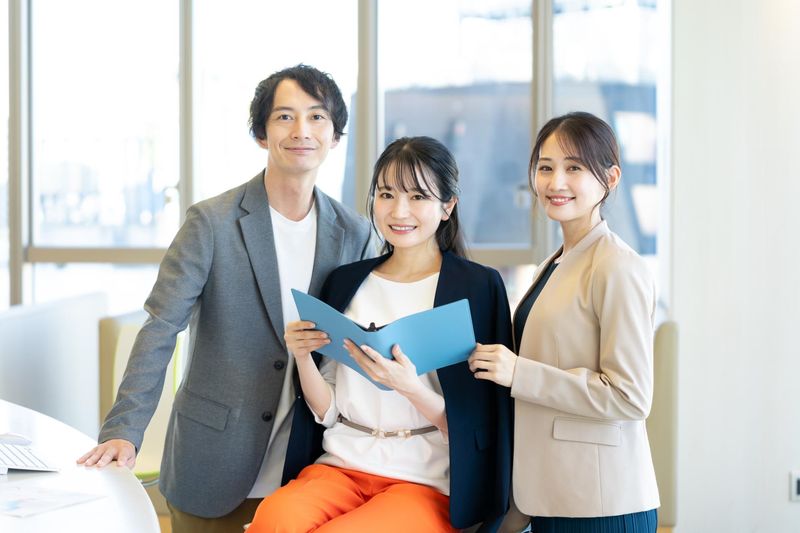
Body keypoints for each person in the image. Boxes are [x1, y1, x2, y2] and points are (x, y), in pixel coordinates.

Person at [77, 64, 375, 533]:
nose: (302, 130)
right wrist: (124, 430)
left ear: (335, 136)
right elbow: (160, 328)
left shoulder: (355, 233)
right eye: (285, 117)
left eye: (317, 117)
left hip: (309, 471)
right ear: (261, 133)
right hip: (212, 460)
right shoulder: (211, 223)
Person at [247, 136, 513, 533]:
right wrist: (302, 356)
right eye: (387, 194)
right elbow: (327, 410)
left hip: (424, 480)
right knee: (272, 521)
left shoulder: (477, 287)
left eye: (418, 196)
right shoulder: (346, 281)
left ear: (448, 206)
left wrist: (409, 387)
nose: (399, 211)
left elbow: (481, 420)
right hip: (341, 465)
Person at [470, 112, 660, 533]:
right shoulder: (554, 264)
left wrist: (519, 373)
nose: (556, 182)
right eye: (545, 168)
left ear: (611, 178)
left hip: (601, 504)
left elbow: (629, 396)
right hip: (551, 495)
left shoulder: (617, 267)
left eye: (574, 168)